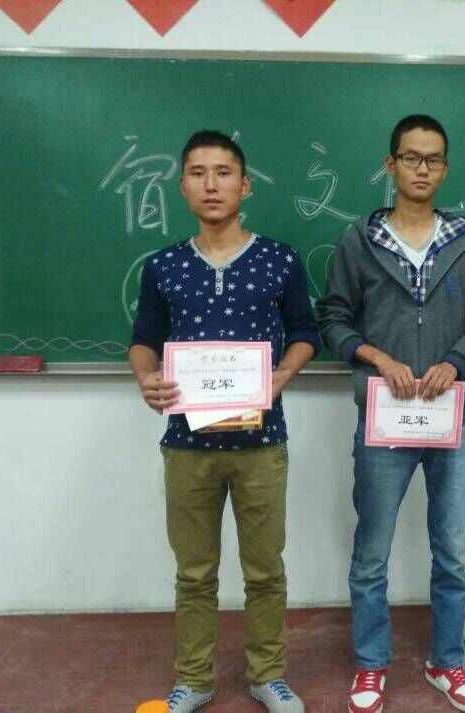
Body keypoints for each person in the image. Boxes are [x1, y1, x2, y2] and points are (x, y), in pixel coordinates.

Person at [316, 114, 465, 713]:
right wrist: (375, 356)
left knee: (451, 550)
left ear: (445, 169)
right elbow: (332, 318)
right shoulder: (360, 241)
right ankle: (371, 665)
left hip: (451, 417)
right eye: (411, 157)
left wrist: (456, 362)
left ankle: (446, 660)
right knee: (371, 552)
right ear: (390, 164)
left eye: (434, 159)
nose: (423, 168)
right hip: (384, 418)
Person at [129, 130, 319, 713]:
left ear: (245, 184)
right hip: (187, 445)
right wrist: (146, 377)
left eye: (223, 172)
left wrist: (281, 376)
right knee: (194, 572)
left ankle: (268, 675)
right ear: (182, 186)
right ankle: (194, 680)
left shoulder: (280, 260)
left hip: (262, 441)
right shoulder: (163, 266)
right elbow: (143, 340)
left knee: (265, 570)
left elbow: (306, 333)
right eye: (198, 173)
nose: (211, 184)